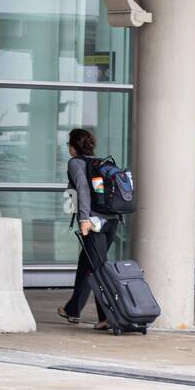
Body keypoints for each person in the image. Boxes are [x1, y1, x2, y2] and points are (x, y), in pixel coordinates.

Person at [58, 128, 118, 330]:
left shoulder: (75, 163)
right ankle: (73, 309)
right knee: (87, 265)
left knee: (98, 270)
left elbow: (82, 189)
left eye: (68, 145)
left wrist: (84, 219)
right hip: (111, 221)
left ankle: (107, 316)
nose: (68, 149)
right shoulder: (100, 162)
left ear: (73, 147)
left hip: (93, 223)